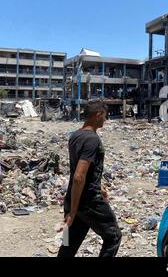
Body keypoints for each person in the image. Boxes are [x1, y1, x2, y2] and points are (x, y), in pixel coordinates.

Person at [57, 100, 121, 257]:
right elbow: (79, 176)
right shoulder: (92, 139)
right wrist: (73, 212)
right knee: (113, 236)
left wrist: (99, 186)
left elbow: (83, 172)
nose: (106, 120)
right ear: (98, 115)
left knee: (68, 243)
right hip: (89, 201)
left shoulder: (75, 136)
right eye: (105, 116)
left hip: (72, 197)